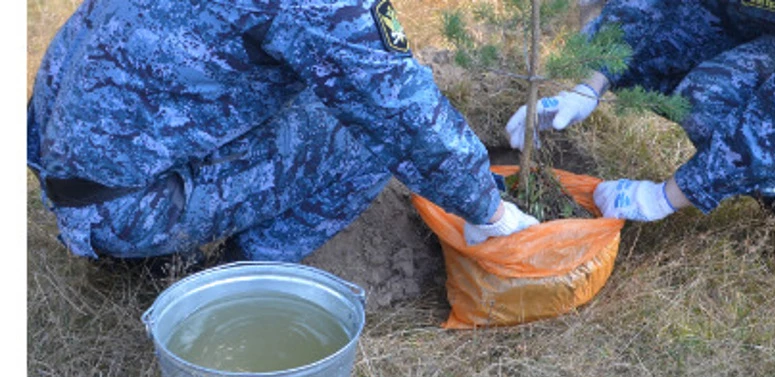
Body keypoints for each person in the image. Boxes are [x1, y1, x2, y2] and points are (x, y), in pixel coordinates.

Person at [28, 0, 535, 265]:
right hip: (121, 207)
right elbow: (401, 114)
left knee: (326, 86)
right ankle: (241, 275)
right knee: (364, 132)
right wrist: (488, 211)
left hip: (65, 162)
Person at [512, 0, 775, 296]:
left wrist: (666, 195)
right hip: (751, 14)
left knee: (709, 98)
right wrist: (589, 85)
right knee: (645, 64)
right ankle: (752, 170)